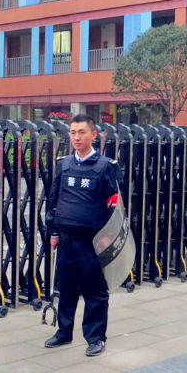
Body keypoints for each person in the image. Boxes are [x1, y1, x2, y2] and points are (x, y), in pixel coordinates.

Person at [44, 114, 123, 357]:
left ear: (93, 135)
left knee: (94, 291)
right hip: (66, 238)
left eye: (81, 132)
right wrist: (53, 231)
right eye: (72, 133)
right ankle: (64, 332)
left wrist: (107, 238)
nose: (76, 137)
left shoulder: (106, 167)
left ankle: (96, 337)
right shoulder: (63, 164)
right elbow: (54, 199)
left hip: (92, 241)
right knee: (66, 288)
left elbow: (114, 205)